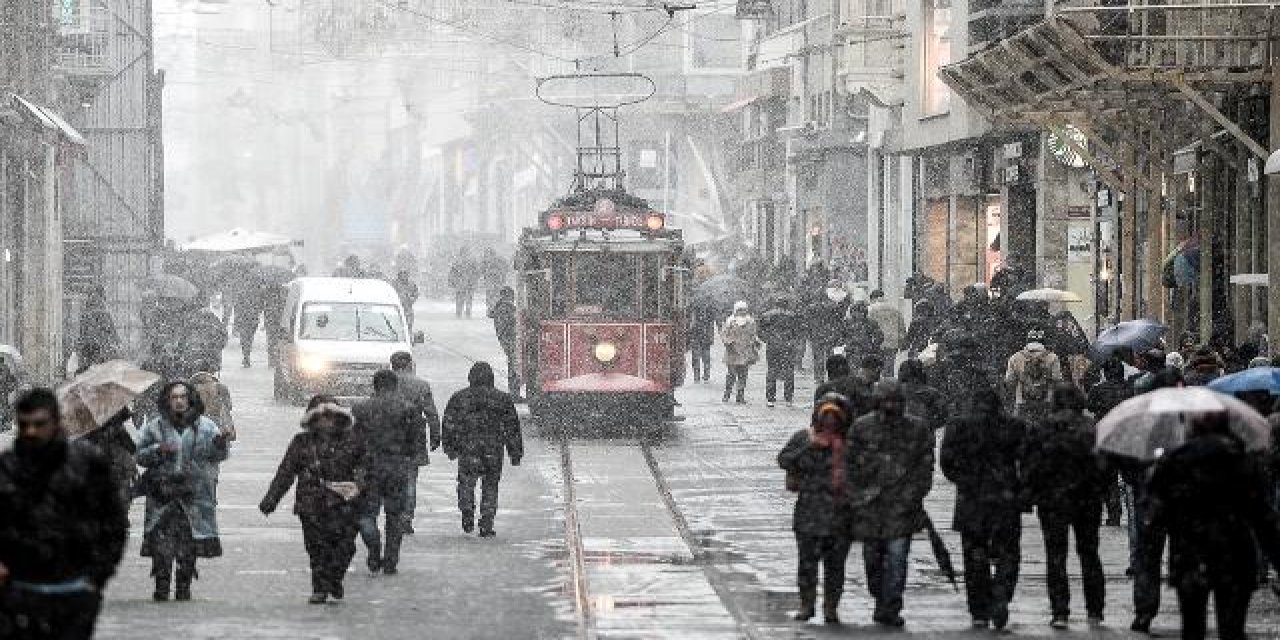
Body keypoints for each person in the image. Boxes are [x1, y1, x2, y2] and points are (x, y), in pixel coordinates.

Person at [0, 389, 128, 639]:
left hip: (73, 592)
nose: (31, 432)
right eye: (24, 424)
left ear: (56, 423)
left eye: (39, 424)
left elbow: (113, 524)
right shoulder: (7, 468)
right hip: (18, 594)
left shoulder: (87, 464)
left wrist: (96, 578)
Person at [1147, 412, 1280, 640]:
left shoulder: (1174, 461)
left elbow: (1155, 515)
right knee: (1232, 629)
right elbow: (1262, 516)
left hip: (1189, 554)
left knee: (1192, 627)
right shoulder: (1242, 460)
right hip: (1235, 554)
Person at [259, 396, 367, 604]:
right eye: (320, 416)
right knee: (317, 548)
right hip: (311, 504)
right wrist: (271, 499)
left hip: (344, 503)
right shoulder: (302, 442)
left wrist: (358, 485)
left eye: (330, 416)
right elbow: (286, 472)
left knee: (345, 546)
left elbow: (366, 466)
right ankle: (320, 588)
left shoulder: (353, 440)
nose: (326, 421)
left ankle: (335, 577)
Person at [846, 381, 935, 627]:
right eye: (886, 401)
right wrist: (858, 496)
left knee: (897, 559)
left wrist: (912, 496)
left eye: (895, 401)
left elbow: (924, 468)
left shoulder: (916, 429)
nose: (891, 406)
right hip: (871, 508)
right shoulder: (862, 428)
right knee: (873, 561)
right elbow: (849, 467)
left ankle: (891, 605)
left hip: (901, 508)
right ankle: (880, 597)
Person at [941, 387, 1029, 631]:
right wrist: (1019, 488)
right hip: (1005, 500)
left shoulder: (958, 426)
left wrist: (964, 481)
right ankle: (1001, 597)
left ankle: (979, 608)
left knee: (974, 556)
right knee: (1008, 554)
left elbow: (947, 462)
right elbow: (1028, 461)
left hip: (971, 501)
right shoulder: (1014, 427)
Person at [136, 381, 230, 601]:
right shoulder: (154, 427)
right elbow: (139, 455)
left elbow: (217, 457)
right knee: (161, 546)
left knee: (188, 546)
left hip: (193, 497)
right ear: (167, 400)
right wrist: (158, 450)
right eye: (174, 397)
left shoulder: (207, 427)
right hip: (162, 496)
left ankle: (183, 587)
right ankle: (161, 586)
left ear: (190, 400)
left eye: (183, 397)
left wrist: (219, 445)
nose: (178, 401)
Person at [1025, 384, 1106, 628]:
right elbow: (1104, 465)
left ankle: (1060, 611)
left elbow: (1031, 464)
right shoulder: (1093, 428)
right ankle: (1095, 609)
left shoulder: (1043, 428)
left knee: (1056, 556)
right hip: (1087, 499)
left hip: (1052, 500)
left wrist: (1032, 492)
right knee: (1090, 553)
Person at [778, 394, 855, 625]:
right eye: (826, 417)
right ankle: (807, 604)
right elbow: (784, 460)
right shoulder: (804, 438)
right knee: (807, 564)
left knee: (835, 566)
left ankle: (831, 607)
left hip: (841, 515)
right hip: (809, 514)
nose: (830, 423)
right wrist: (809, 448)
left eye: (835, 418)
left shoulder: (852, 443)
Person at [352, 370, 425, 574]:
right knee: (395, 516)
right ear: (395, 386)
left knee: (367, 514)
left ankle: (374, 546)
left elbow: (354, 442)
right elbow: (414, 441)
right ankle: (391, 559)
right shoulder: (408, 410)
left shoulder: (362, 409)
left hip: (369, 469)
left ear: (375, 386)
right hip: (397, 468)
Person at [442, 362, 523, 537]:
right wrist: (515, 452)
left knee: (466, 483)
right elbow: (512, 427)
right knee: (490, 485)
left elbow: (449, 423)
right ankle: (487, 522)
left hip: (467, 448)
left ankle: (467, 514)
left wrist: (449, 446)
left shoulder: (459, 398)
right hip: (493, 449)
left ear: (470, 377)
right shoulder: (502, 399)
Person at [389, 351, 441, 535]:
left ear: (392, 365)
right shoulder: (421, 385)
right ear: (410, 364)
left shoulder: (385, 384)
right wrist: (436, 435)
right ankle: (406, 518)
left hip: (390, 436)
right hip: (413, 436)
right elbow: (431, 413)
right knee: (410, 478)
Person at [81, 408, 138, 510]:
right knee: (121, 497)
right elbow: (132, 447)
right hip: (120, 468)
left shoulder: (88, 431)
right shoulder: (117, 427)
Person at [1004, 329, 1064, 420]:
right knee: (1046, 429)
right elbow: (1057, 379)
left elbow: (1009, 381)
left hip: (1022, 401)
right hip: (1046, 401)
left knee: (1020, 429)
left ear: (1027, 340)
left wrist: (1017, 390)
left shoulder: (1015, 357)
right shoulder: (1053, 357)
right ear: (1043, 341)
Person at [759, 295, 800, 407]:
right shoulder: (792, 316)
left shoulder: (767, 315)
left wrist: (767, 339)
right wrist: (792, 341)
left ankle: (770, 398)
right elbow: (797, 332)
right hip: (787, 346)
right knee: (788, 371)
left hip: (773, 346)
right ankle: (788, 397)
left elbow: (760, 331)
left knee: (772, 370)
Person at [808, 279, 850, 383]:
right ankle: (832, 376)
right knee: (831, 356)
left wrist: (810, 334)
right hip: (832, 333)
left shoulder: (813, 308)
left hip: (818, 335)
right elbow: (842, 319)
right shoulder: (841, 301)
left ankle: (819, 378)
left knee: (818, 357)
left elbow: (809, 322)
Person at [721, 301, 759, 404]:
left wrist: (754, 343)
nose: (742, 312)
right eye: (740, 310)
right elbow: (724, 335)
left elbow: (753, 335)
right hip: (732, 353)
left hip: (745, 352)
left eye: (744, 310)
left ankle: (740, 396)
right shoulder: (729, 322)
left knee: (743, 375)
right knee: (731, 375)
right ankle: (727, 394)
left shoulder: (750, 322)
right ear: (735, 310)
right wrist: (728, 342)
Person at [75, 284, 120, 373]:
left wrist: (81, 343)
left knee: (89, 367)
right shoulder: (103, 311)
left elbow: (82, 331)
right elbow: (110, 329)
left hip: (88, 345)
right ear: (102, 294)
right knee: (100, 368)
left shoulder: (86, 311)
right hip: (100, 345)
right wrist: (116, 341)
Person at [487, 286, 521, 397]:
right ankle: (514, 393)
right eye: (512, 296)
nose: (513, 298)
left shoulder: (501, 308)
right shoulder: (505, 308)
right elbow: (509, 325)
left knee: (513, 365)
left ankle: (514, 392)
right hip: (510, 340)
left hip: (507, 340)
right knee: (514, 366)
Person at [897, 359, 946, 431]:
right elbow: (942, 418)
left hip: (899, 436)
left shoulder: (896, 392)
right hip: (924, 435)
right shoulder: (932, 393)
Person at [867, 290, 906, 377]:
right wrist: (902, 341)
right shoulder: (895, 309)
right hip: (892, 341)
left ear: (872, 299)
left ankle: (877, 384)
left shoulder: (870, 309)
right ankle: (888, 385)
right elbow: (901, 326)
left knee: (875, 366)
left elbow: (867, 326)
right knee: (889, 366)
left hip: (876, 342)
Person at [842, 302, 884, 370]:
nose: (858, 315)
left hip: (858, 351)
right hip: (858, 351)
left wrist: (873, 347)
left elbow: (879, 337)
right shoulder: (848, 322)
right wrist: (873, 346)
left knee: (857, 371)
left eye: (860, 312)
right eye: (856, 312)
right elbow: (879, 337)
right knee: (864, 371)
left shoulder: (848, 322)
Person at [688, 296, 718, 383]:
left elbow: (691, 327)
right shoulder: (710, 311)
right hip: (704, 338)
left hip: (698, 338)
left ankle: (697, 376)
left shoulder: (695, 311)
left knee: (697, 358)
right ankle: (705, 375)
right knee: (705, 358)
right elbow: (711, 326)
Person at [233, 288, 263, 368]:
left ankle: (246, 355)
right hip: (252, 319)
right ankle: (247, 354)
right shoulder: (256, 294)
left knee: (244, 338)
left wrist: (237, 321)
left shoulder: (241, 294)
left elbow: (236, 308)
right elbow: (260, 306)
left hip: (244, 319)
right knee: (249, 337)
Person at [448, 250, 480, 318]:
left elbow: (452, 273)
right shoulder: (472, 262)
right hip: (469, 284)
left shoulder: (457, 262)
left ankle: (459, 313)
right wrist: (474, 281)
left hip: (460, 284)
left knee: (460, 300)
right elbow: (476, 273)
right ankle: (467, 313)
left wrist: (452, 282)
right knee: (468, 300)